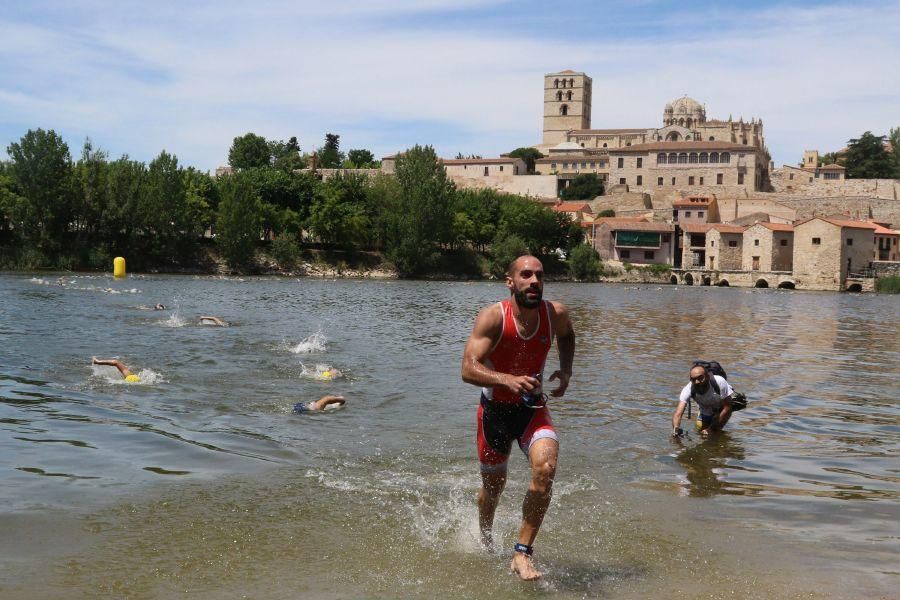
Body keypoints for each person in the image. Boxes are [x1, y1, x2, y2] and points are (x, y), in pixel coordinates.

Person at [461, 255, 575, 581]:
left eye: (539, 275)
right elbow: (468, 368)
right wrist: (507, 380)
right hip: (494, 413)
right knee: (492, 491)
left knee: (546, 468)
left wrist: (566, 370)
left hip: (531, 410)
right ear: (510, 282)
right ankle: (484, 536)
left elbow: (567, 335)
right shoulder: (493, 318)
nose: (534, 281)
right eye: (526, 275)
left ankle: (522, 553)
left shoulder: (555, 315)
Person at [672, 365, 735, 438]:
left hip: (722, 408)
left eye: (700, 378)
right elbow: (678, 413)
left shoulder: (719, 381)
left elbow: (727, 407)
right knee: (703, 435)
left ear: (708, 376)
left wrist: (712, 428)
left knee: (715, 433)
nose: (697, 382)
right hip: (706, 409)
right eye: (693, 379)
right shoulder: (688, 389)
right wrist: (675, 430)